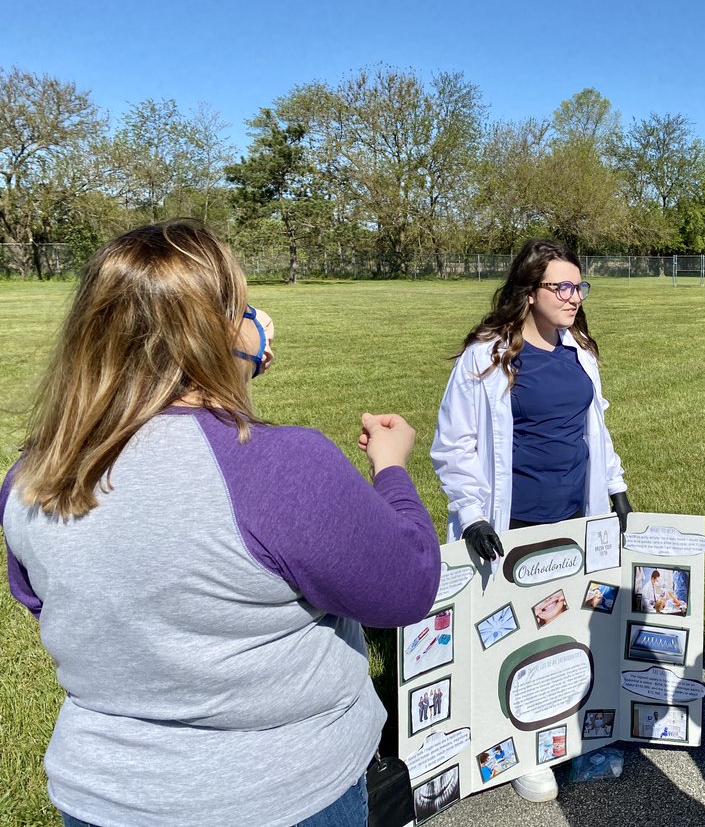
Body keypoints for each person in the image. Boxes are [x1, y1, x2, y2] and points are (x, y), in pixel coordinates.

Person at [2, 220, 441, 827]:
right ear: (212, 330)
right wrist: (391, 471)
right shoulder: (284, 464)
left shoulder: (32, 475)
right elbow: (406, 584)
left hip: (101, 798)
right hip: (286, 796)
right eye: (238, 306)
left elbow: (41, 598)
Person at [430, 237, 631, 802]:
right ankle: (526, 750)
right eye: (562, 286)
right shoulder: (488, 356)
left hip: (576, 515)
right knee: (516, 636)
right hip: (512, 523)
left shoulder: (580, 349)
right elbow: (455, 444)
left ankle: (574, 732)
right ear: (529, 291)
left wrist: (614, 485)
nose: (574, 296)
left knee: (572, 625)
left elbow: (597, 427)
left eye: (579, 286)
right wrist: (471, 514)